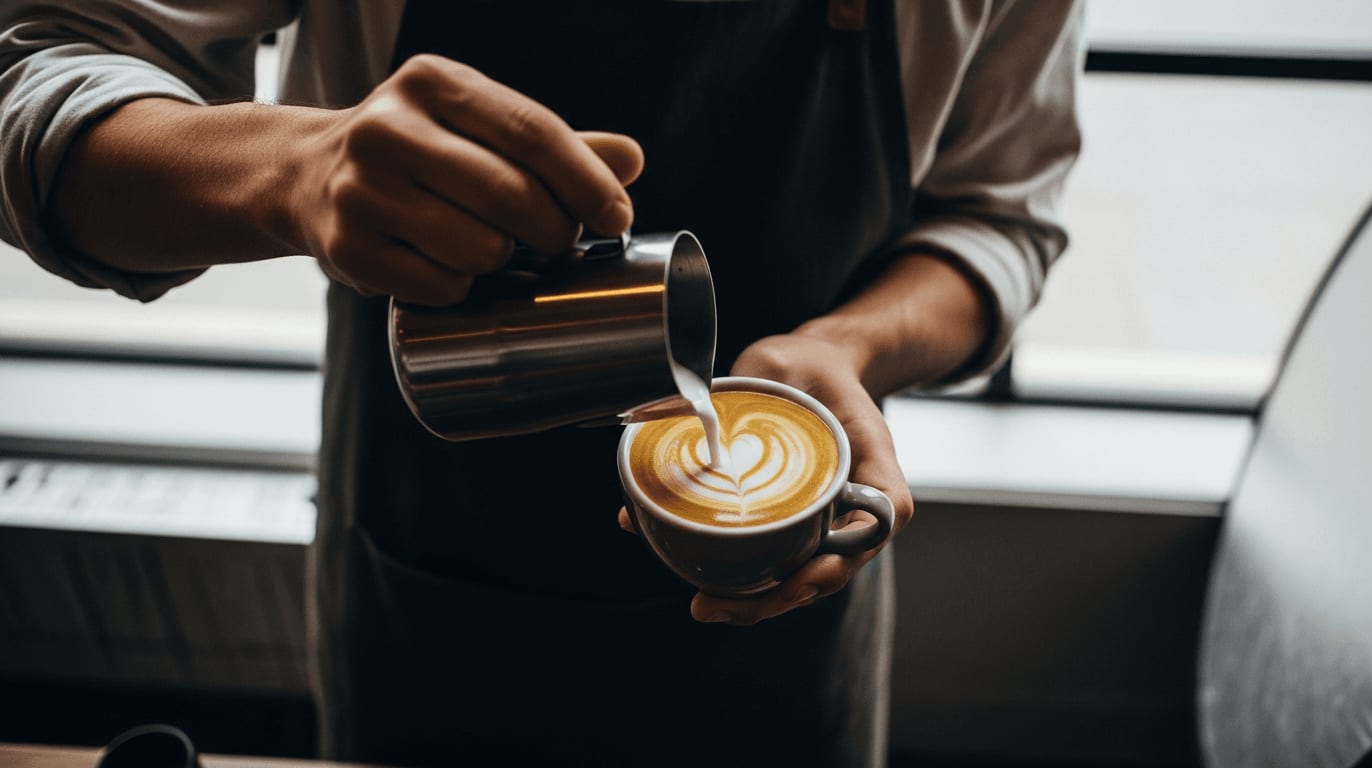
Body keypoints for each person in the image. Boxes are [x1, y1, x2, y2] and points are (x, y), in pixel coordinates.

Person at [0, 1, 1081, 765]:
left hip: (789, 638)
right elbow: (40, 63)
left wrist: (852, 347)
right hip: (431, 599)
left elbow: (997, 215)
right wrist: (294, 168)